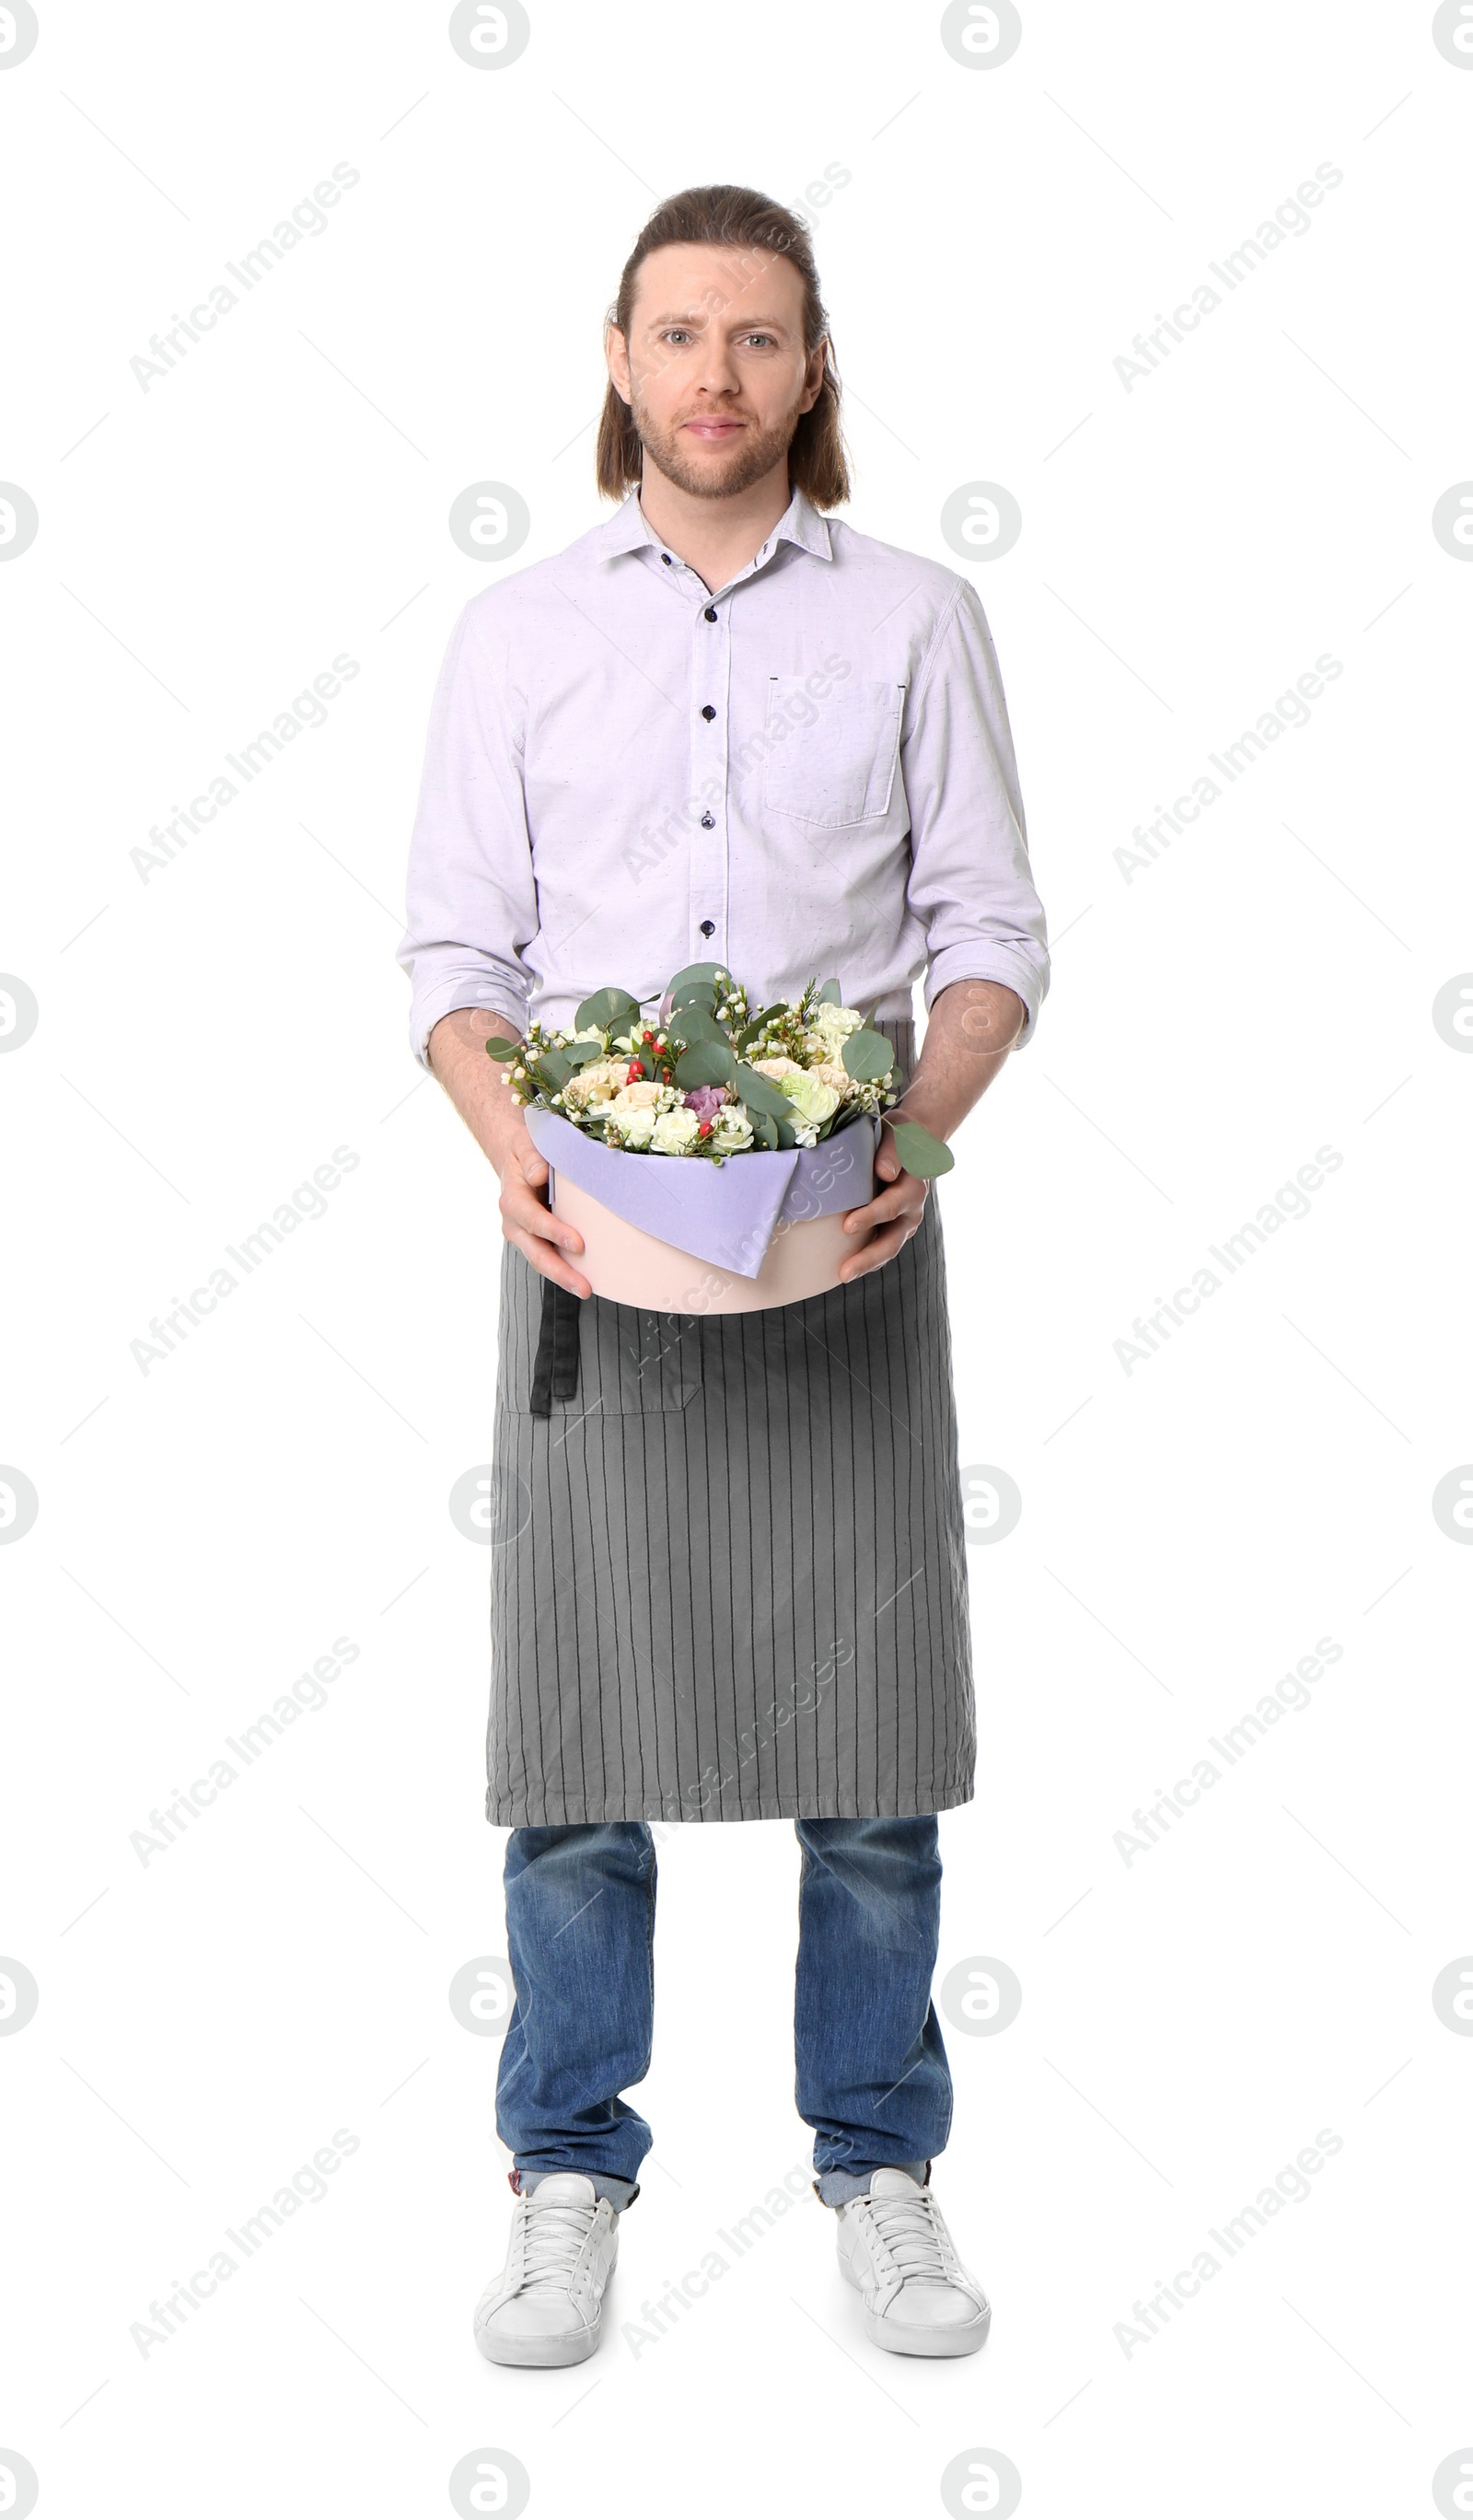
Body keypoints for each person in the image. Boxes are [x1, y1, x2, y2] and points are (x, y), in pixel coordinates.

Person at [397, 184, 1049, 2367]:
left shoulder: (913, 619)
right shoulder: (513, 634)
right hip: (594, 1256)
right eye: (676, 335)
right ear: (613, 356)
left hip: (847, 1241)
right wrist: (512, 1149)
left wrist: (917, 1138)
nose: (712, 377)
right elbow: (456, 963)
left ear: (811, 366)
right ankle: (565, 2166)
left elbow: (986, 935)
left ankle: (876, 2158)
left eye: (755, 340)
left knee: (870, 1771)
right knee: (575, 1750)